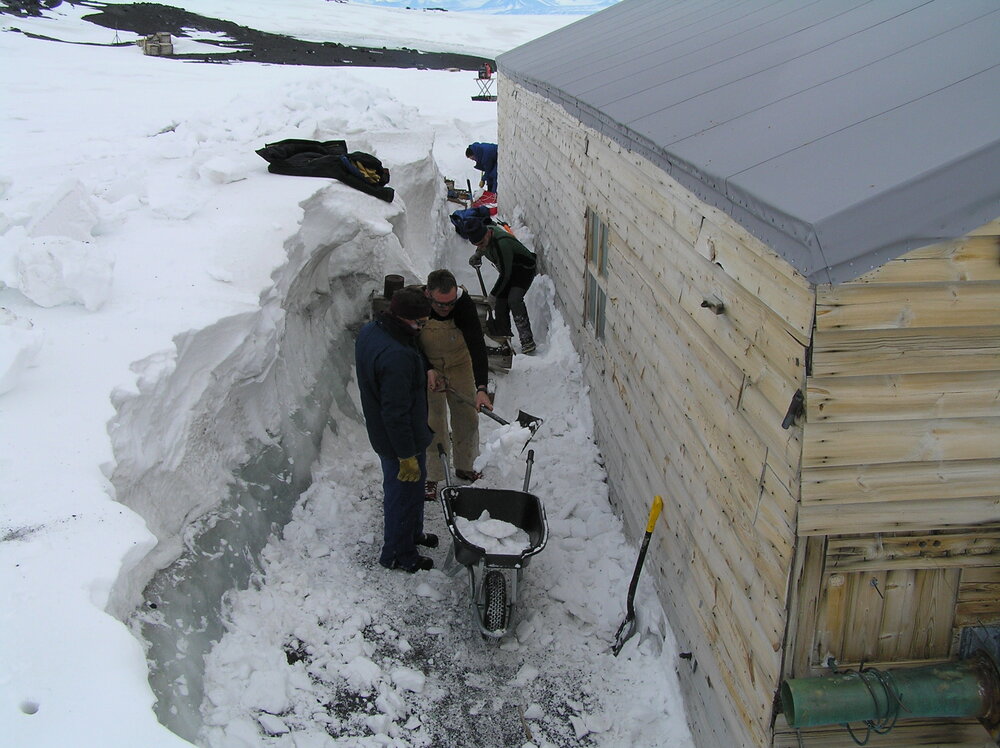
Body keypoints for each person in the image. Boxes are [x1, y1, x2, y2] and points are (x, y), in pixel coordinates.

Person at [355, 287, 438, 573]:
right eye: (421, 323)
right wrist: (406, 455)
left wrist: (424, 368)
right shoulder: (396, 357)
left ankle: (412, 535)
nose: (422, 328)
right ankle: (399, 554)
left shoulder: (373, 330)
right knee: (401, 495)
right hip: (399, 440)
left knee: (412, 491)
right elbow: (395, 413)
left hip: (398, 431)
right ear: (405, 319)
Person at [420, 269, 492, 501]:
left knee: (467, 416)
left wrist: (481, 388)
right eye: (440, 305)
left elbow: (477, 345)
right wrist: (427, 368)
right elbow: (409, 340)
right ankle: (432, 474)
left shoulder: (464, 304)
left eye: (450, 303)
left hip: (459, 363)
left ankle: (466, 465)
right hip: (429, 365)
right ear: (428, 294)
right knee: (433, 420)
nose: (446, 308)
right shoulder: (417, 303)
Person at [466, 217, 538, 354]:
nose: (480, 247)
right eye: (477, 245)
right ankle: (504, 339)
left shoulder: (502, 243)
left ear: (487, 233)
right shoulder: (485, 239)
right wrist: (478, 254)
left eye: (481, 243)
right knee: (500, 304)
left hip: (524, 269)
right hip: (509, 269)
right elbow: (483, 247)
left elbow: (505, 275)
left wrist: (493, 295)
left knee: (514, 300)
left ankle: (527, 340)